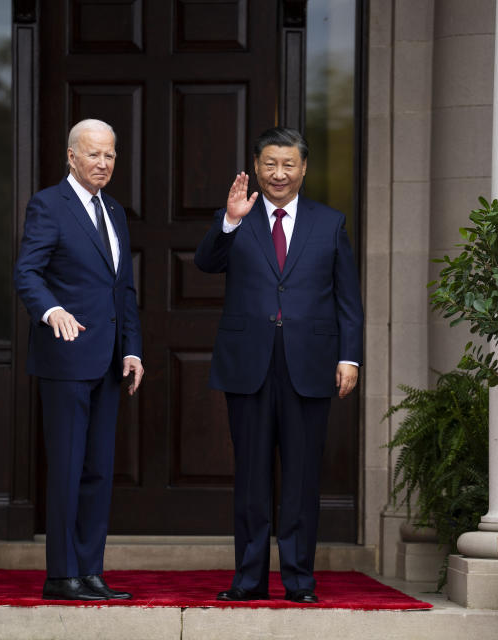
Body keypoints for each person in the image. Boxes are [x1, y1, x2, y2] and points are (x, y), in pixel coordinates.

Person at [195, 127, 364, 604]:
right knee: (251, 478)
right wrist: (228, 221)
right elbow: (206, 263)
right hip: (248, 364)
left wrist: (348, 356)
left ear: (304, 169)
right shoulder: (238, 216)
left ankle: (299, 581)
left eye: (289, 164)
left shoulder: (329, 223)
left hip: (309, 364)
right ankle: (247, 580)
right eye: (270, 164)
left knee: (302, 479)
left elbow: (347, 299)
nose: (279, 173)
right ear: (255, 165)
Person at [14, 119, 143, 601]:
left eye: (110, 155)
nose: (103, 164)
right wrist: (52, 311)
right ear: (72, 157)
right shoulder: (49, 205)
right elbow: (27, 273)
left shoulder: (114, 211)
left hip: (109, 362)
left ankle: (90, 571)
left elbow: (123, 289)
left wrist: (132, 349)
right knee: (67, 469)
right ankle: (61, 575)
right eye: (94, 155)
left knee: (98, 472)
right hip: (65, 358)